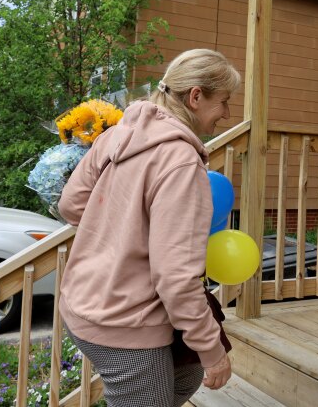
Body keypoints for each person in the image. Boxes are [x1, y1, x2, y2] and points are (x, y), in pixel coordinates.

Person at [58, 48, 241, 406]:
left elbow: (70, 205)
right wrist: (213, 351)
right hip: (121, 321)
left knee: (183, 374)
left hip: (82, 301)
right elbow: (175, 277)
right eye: (224, 102)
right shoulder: (181, 164)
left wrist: (123, 233)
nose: (227, 114)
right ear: (196, 97)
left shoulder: (115, 135)